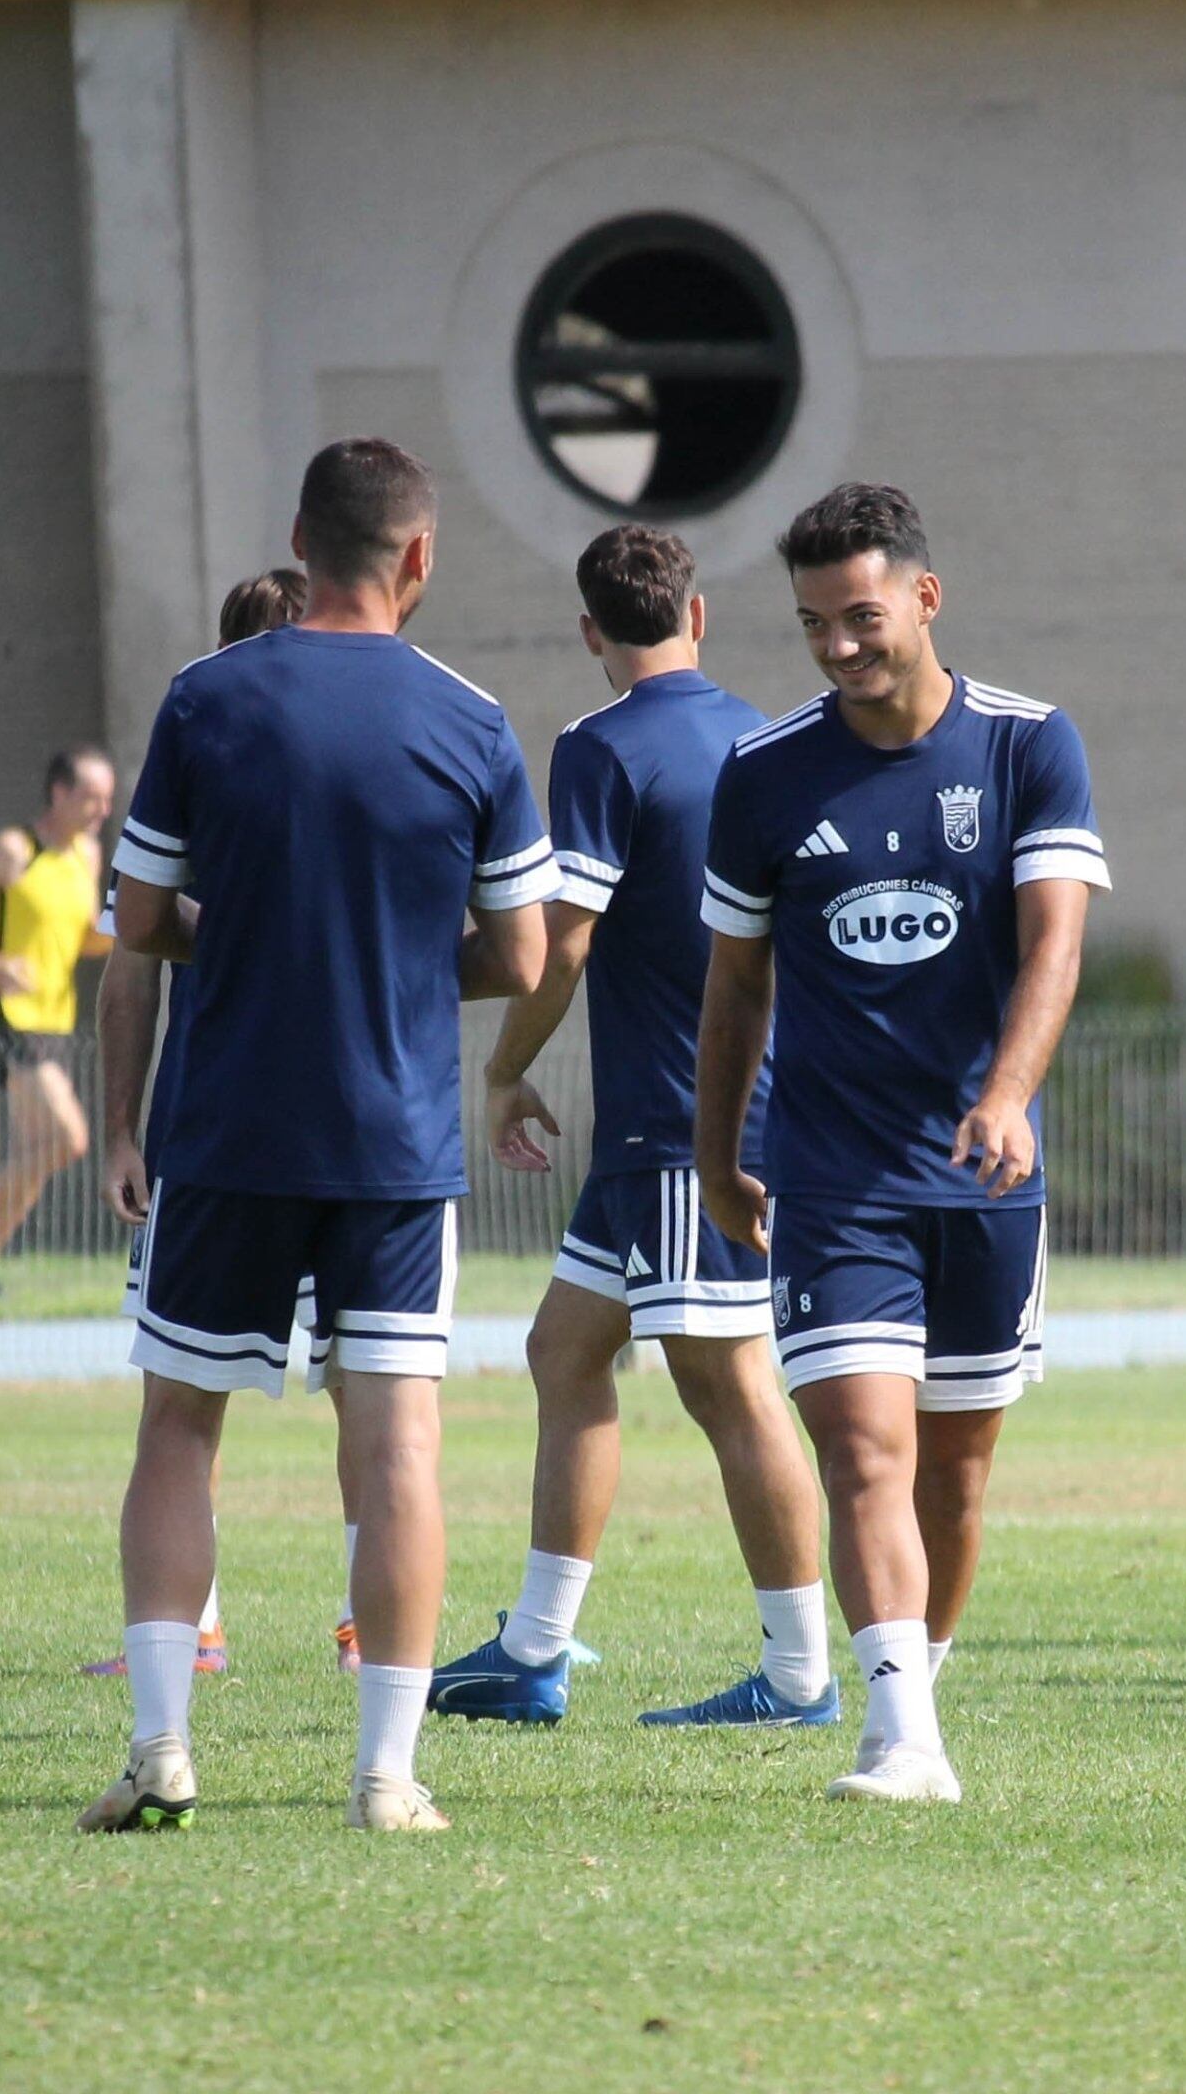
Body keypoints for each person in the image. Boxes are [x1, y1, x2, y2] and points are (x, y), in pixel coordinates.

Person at [81, 442, 549, 1837]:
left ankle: (161, 1749)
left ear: (300, 538)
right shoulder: (472, 720)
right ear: (420, 556)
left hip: (225, 1126)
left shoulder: (205, 697)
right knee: (398, 1446)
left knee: (179, 1425)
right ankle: (387, 1777)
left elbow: (139, 923)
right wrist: (394, 961)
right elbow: (524, 955)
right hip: (391, 1145)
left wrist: (254, 943)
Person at [696, 482, 1102, 1804]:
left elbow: (1055, 945)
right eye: (813, 624)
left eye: (860, 618)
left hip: (985, 1178)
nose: (837, 646)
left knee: (955, 1474)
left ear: (924, 599)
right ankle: (903, 1736)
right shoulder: (763, 774)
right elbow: (735, 985)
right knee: (863, 1450)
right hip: (834, 1177)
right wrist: (716, 1153)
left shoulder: (1029, 745)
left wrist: (1007, 1096)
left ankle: (912, 1698)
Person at [428, 526, 836, 1731]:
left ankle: (801, 1677)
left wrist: (505, 1068)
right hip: (681, 1130)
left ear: (588, 634)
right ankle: (533, 1651)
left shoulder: (599, 746)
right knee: (563, 1350)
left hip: (682, 1125)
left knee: (733, 1386)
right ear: (696, 617)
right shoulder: (761, 733)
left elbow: (564, 939)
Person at [81, 567, 309, 1684]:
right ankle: (233, 1633)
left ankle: (211, 1638)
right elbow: (130, 958)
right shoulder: (197, 760)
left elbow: (133, 959)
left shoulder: (218, 749)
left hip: (237, 1135)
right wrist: (123, 1130)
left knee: (190, 1400)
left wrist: (125, 1131)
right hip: (258, 1132)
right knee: (356, 1398)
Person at [0, 745, 116, 1300]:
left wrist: (129, 931)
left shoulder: (86, 854)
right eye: (91, 797)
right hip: (7, 1018)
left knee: (39, 1153)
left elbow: (84, 937)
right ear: (59, 793)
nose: (103, 810)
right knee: (69, 1139)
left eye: (107, 799)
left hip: (56, 1020)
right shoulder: (14, 849)